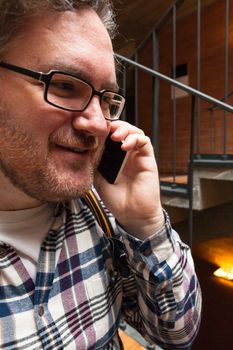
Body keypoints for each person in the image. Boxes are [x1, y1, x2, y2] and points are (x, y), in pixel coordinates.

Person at [0, 1, 201, 349]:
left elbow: (177, 332)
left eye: (106, 98)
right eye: (64, 85)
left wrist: (146, 224)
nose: (98, 124)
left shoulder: (98, 210)